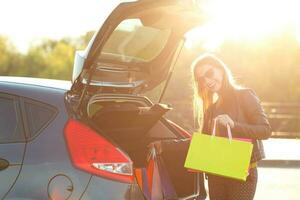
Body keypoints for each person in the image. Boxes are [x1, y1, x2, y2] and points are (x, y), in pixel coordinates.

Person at [152, 53, 271, 200]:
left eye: (209, 73)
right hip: (216, 174)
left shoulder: (245, 96)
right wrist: (164, 145)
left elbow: (265, 130)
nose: (207, 81)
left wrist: (234, 125)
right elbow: (202, 143)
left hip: (242, 174)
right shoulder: (211, 109)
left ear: (220, 69)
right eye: (201, 79)